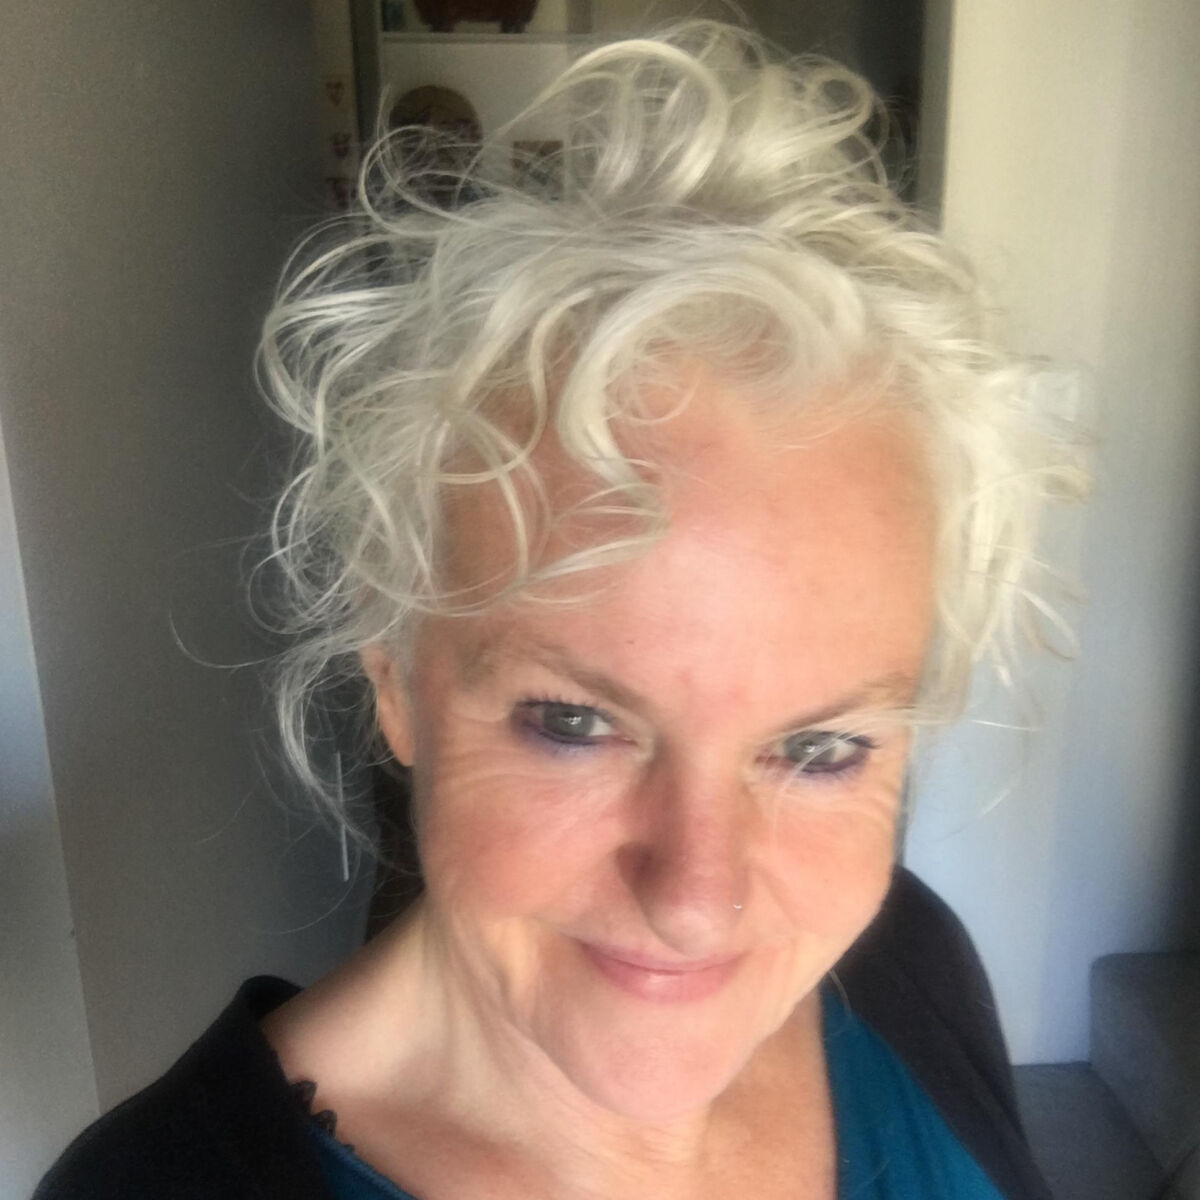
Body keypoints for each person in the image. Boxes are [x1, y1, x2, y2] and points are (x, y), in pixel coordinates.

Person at [35, 21, 1085, 1200]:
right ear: (392, 669)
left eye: (822, 749)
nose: (698, 901)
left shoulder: (909, 965)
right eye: (575, 723)